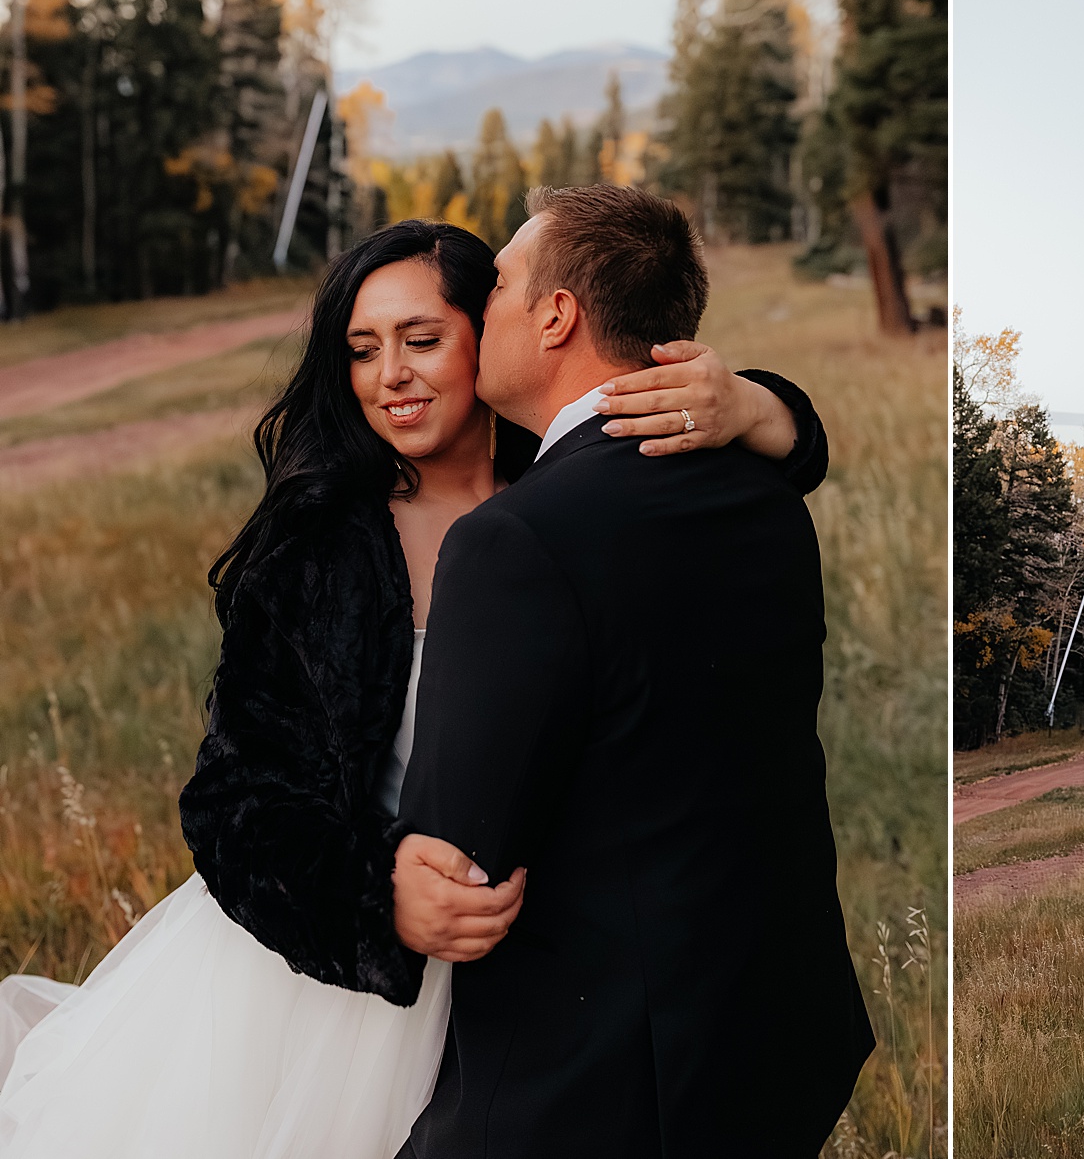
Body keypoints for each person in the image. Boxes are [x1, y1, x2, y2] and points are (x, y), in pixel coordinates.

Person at [0, 218, 829, 1156]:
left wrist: (771, 409)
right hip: (333, 991)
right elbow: (233, 797)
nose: (389, 374)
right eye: (362, 350)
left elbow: (694, 452)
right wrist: (375, 901)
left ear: (496, 328)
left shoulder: (567, 492)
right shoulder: (319, 547)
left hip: (550, 968)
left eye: (422, 340)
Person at [393, 185, 873, 1157]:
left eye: (495, 288)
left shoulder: (514, 542)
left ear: (556, 314)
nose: (473, 313)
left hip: (598, 1084)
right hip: (771, 1034)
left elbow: (461, 850)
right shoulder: (765, 495)